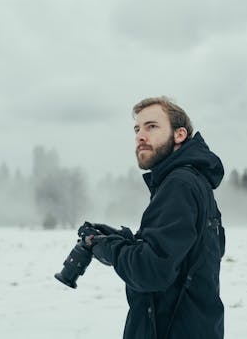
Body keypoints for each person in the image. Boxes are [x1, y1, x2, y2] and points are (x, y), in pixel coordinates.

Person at [84, 96, 225, 339]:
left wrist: (105, 247)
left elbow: (150, 272)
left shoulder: (178, 184)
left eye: (152, 126)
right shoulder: (194, 181)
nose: (140, 135)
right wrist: (124, 239)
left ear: (179, 135)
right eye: (137, 129)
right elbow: (184, 255)